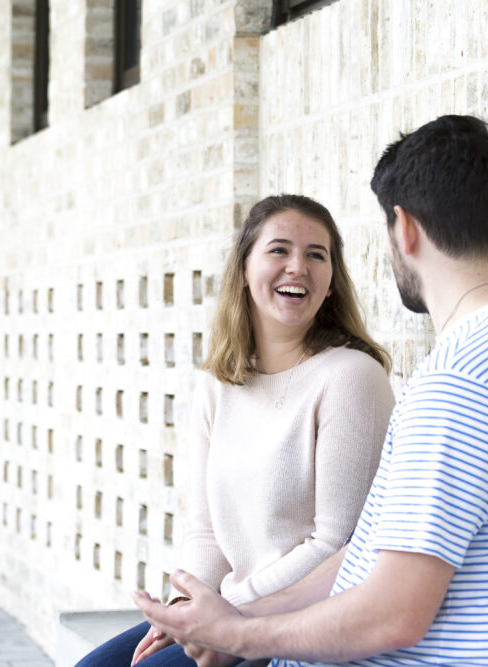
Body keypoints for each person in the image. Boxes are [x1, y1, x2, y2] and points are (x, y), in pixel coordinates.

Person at [132, 115, 488, 666]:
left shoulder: (462, 386)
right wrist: (237, 620)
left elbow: (394, 614)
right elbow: (365, 556)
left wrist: (239, 639)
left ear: (404, 229)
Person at [76, 194, 396, 667]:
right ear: (244, 270)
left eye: (316, 255)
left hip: (292, 624)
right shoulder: (217, 383)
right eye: (279, 250)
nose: (298, 267)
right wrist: (184, 605)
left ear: (331, 283)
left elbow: (337, 544)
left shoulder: (350, 377)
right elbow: (206, 530)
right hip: (227, 609)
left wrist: (227, 613)